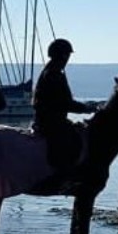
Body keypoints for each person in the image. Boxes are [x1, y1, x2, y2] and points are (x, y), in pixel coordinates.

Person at [32, 38, 96, 175]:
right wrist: (87, 108)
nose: (67, 60)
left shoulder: (50, 71)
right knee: (72, 142)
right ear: (63, 56)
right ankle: (64, 175)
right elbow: (66, 104)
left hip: (50, 119)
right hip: (52, 122)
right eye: (67, 55)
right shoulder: (54, 75)